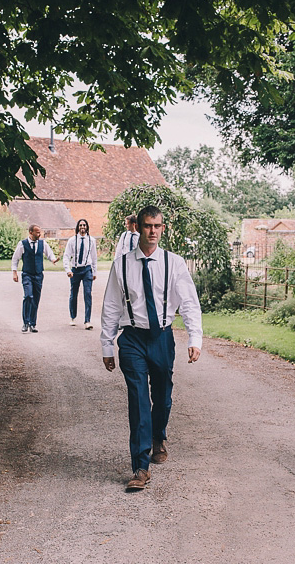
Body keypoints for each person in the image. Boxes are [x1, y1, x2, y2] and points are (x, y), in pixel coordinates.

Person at [100, 205, 202, 492]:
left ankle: (159, 435)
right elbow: (110, 306)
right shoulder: (121, 265)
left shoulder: (174, 263)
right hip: (132, 338)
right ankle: (140, 466)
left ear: (162, 228)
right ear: (138, 228)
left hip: (162, 338)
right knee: (138, 400)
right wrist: (107, 344)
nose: (152, 231)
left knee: (163, 397)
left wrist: (195, 338)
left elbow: (189, 302)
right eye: (147, 226)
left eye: (157, 226)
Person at [11, 224, 57, 333]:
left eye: (39, 232)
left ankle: (33, 324)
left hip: (38, 275)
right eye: (37, 232)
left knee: (36, 299)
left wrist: (53, 260)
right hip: (27, 274)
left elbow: (49, 254)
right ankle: (25, 322)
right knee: (28, 296)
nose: (39, 234)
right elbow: (15, 259)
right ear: (30, 232)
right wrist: (14, 272)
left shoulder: (42, 243)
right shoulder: (22, 244)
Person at [63, 219, 98, 329]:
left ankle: (87, 320)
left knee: (88, 294)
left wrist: (94, 271)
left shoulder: (91, 240)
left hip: (87, 269)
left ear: (87, 227)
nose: (82, 227)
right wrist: (68, 269)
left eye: (84, 225)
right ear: (78, 227)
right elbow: (66, 256)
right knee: (74, 293)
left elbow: (94, 256)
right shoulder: (72, 240)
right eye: (80, 225)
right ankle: (73, 317)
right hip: (75, 269)